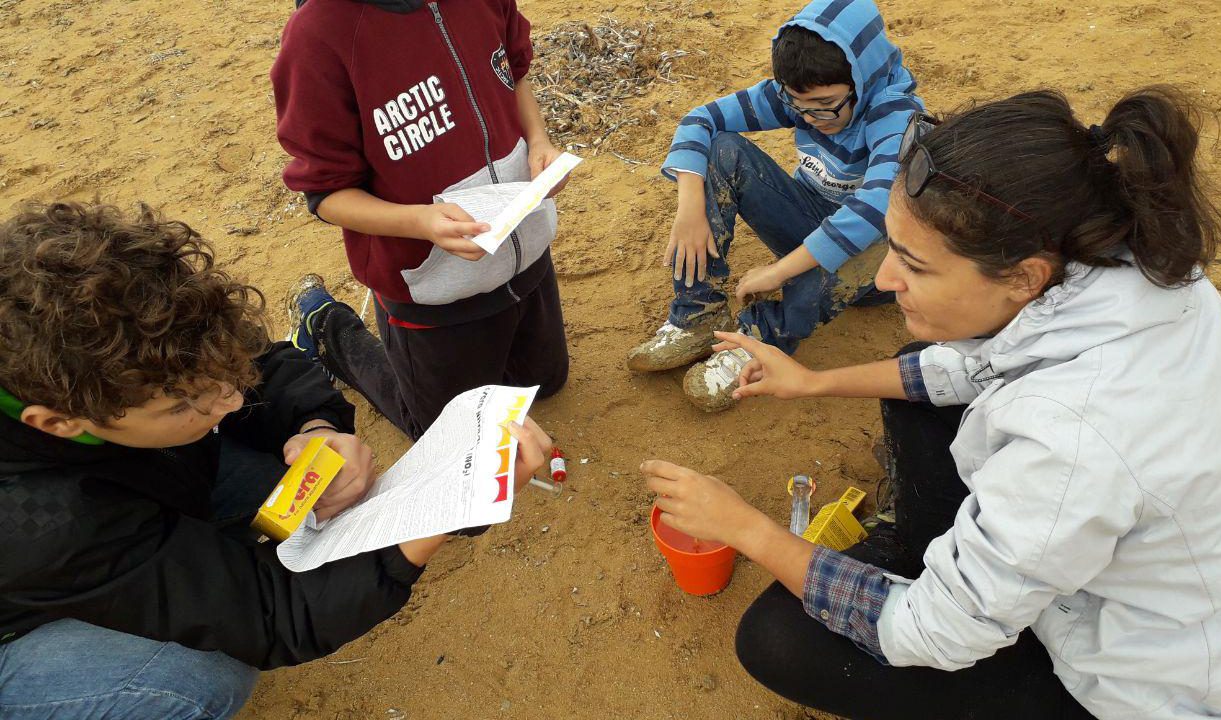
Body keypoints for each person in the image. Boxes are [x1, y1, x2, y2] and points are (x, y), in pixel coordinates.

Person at [642, 87, 1221, 718]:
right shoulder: (1119, 262)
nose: (887, 280)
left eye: (914, 266)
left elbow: (927, 634)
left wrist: (744, 527)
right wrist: (813, 381)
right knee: (912, 380)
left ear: (1024, 275)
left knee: (776, 638)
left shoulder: (1075, 438)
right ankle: (941, 559)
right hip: (1183, 591)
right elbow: (967, 367)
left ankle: (945, 573)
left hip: (1154, 687)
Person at [0, 202, 554, 719]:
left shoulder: (133, 327)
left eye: (222, 374)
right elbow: (274, 615)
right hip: (22, 614)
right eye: (185, 403)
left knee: (299, 493)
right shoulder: (43, 521)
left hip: (132, 490)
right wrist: (441, 507)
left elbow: (263, 362)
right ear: (57, 421)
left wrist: (314, 426)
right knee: (198, 676)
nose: (234, 400)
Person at [271, 0, 571, 439]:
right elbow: (326, 192)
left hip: (527, 255)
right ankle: (330, 328)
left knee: (547, 383)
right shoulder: (319, 34)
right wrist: (422, 223)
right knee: (446, 435)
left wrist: (539, 142)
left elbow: (513, 69)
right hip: (432, 288)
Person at [625, 0, 922, 412]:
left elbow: (873, 210)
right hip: (810, 220)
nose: (813, 118)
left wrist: (779, 271)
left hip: (873, 263)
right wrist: (689, 205)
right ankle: (698, 315)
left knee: (878, 235)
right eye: (800, 107)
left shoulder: (896, 115)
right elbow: (701, 119)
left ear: (863, 77)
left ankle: (759, 341)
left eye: (826, 105)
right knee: (723, 149)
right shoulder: (798, 96)